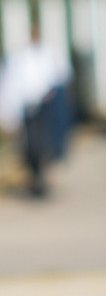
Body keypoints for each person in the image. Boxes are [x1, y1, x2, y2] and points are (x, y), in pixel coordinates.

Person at [0, 23, 74, 197]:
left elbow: (62, 74)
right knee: (31, 144)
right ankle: (35, 175)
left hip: (45, 106)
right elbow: (14, 84)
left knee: (44, 143)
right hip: (28, 107)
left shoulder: (49, 53)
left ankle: (41, 176)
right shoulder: (21, 56)